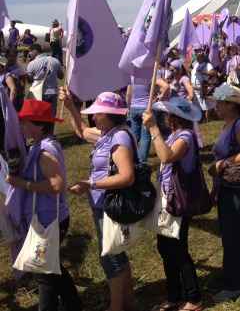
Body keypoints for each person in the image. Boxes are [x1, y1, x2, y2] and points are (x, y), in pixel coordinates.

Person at [59, 89, 136, 311]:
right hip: (103, 204)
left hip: (109, 205)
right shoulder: (106, 134)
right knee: (116, 252)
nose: (93, 116)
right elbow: (81, 131)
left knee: (110, 257)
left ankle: (116, 306)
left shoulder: (119, 137)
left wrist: (91, 184)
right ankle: (128, 301)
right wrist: (71, 106)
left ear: (109, 114)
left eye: (97, 113)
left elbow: (126, 176)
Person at [6, 99, 82, 311]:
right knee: (51, 267)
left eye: (25, 122)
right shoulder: (40, 145)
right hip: (48, 217)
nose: (21, 126)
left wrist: (21, 183)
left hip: (49, 219)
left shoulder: (44, 151)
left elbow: (57, 185)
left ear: (39, 124)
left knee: (44, 273)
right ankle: (73, 304)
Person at [143, 97, 204, 311]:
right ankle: (174, 294)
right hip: (168, 197)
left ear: (176, 117)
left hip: (178, 199)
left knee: (177, 248)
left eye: (168, 115)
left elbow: (167, 156)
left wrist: (152, 129)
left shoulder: (185, 136)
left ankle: (193, 298)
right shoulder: (176, 135)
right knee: (165, 246)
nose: (165, 118)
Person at [208, 83, 240, 303]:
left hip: (239, 188)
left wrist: (224, 163)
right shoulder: (229, 124)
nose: (216, 106)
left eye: (220, 103)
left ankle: (234, 285)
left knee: (231, 236)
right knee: (230, 235)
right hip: (228, 186)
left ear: (231, 105)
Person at [26, 44, 64, 115]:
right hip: (52, 92)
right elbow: (61, 76)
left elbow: (29, 80)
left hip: (38, 93)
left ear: (35, 51)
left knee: (39, 117)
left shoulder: (32, 63)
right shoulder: (55, 60)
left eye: (30, 51)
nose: (29, 53)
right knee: (51, 117)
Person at [126, 75, 152, 165]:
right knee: (145, 136)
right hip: (146, 108)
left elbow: (128, 94)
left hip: (133, 108)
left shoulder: (132, 76)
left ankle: (129, 157)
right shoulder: (150, 76)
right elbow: (153, 92)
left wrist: (128, 108)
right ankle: (142, 163)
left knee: (134, 136)